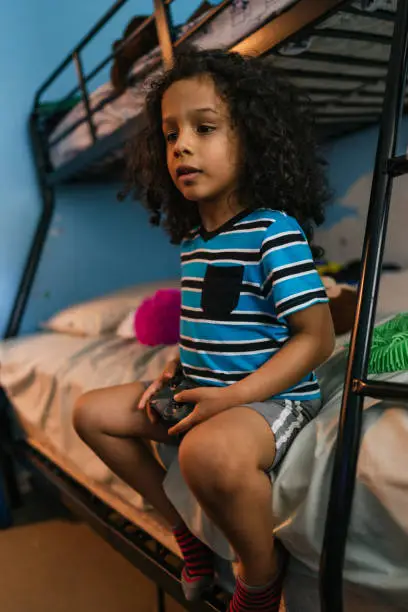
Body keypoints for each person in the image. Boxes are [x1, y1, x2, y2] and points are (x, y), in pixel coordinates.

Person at [73, 48, 335, 611]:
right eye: (169, 135)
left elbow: (316, 338)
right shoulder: (195, 243)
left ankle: (261, 578)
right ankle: (187, 535)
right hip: (206, 392)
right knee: (91, 413)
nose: (182, 145)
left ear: (253, 139)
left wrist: (235, 397)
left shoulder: (274, 232)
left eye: (204, 128)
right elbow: (211, 327)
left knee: (204, 457)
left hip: (270, 400)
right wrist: (176, 368)